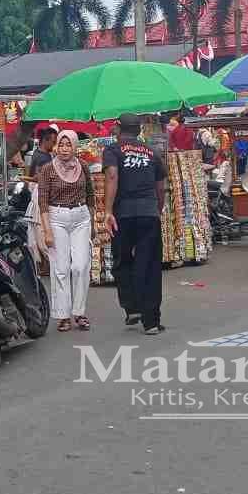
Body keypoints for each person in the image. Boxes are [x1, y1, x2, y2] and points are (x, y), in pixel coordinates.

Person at [103, 113, 167, 335]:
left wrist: (108, 211)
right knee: (149, 266)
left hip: (123, 214)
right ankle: (151, 322)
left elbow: (112, 177)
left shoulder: (112, 150)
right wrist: (157, 210)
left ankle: (132, 308)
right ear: (139, 131)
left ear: (119, 128)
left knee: (121, 261)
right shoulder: (153, 152)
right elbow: (161, 187)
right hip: (148, 213)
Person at [36, 130, 94, 332]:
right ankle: (63, 315)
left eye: (68, 145)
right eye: (61, 144)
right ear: (56, 147)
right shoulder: (47, 169)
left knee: (80, 265)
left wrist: (92, 223)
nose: (64, 149)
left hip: (81, 217)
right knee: (60, 268)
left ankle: (79, 311)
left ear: (75, 146)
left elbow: (90, 196)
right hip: (56, 218)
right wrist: (47, 231)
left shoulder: (84, 167)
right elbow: (42, 201)